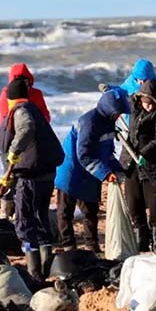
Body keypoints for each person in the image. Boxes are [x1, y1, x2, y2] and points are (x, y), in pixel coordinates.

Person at [0, 77, 65, 279]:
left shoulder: (21, 111)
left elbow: (26, 128)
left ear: (11, 98)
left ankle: (35, 270)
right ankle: (45, 266)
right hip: (46, 173)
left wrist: (14, 151)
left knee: (26, 222)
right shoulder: (34, 109)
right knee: (40, 217)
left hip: (31, 176)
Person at [55, 86, 130, 253]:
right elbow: (84, 155)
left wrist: (118, 170)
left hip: (91, 172)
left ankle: (92, 246)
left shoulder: (108, 124)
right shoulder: (89, 123)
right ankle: (69, 247)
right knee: (65, 212)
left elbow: (107, 152)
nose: (118, 117)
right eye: (117, 113)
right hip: (71, 171)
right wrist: (105, 174)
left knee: (90, 211)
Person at [120, 80, 156, 252]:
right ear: (141, 99)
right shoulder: (133, 104)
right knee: (134, 202)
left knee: (155, 205)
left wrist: (143, 153)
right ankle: (140, 242)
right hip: (130, 161)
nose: (149, 107)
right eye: (147, 104)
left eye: (153, 104)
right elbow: (117, 98)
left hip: (154, 164)